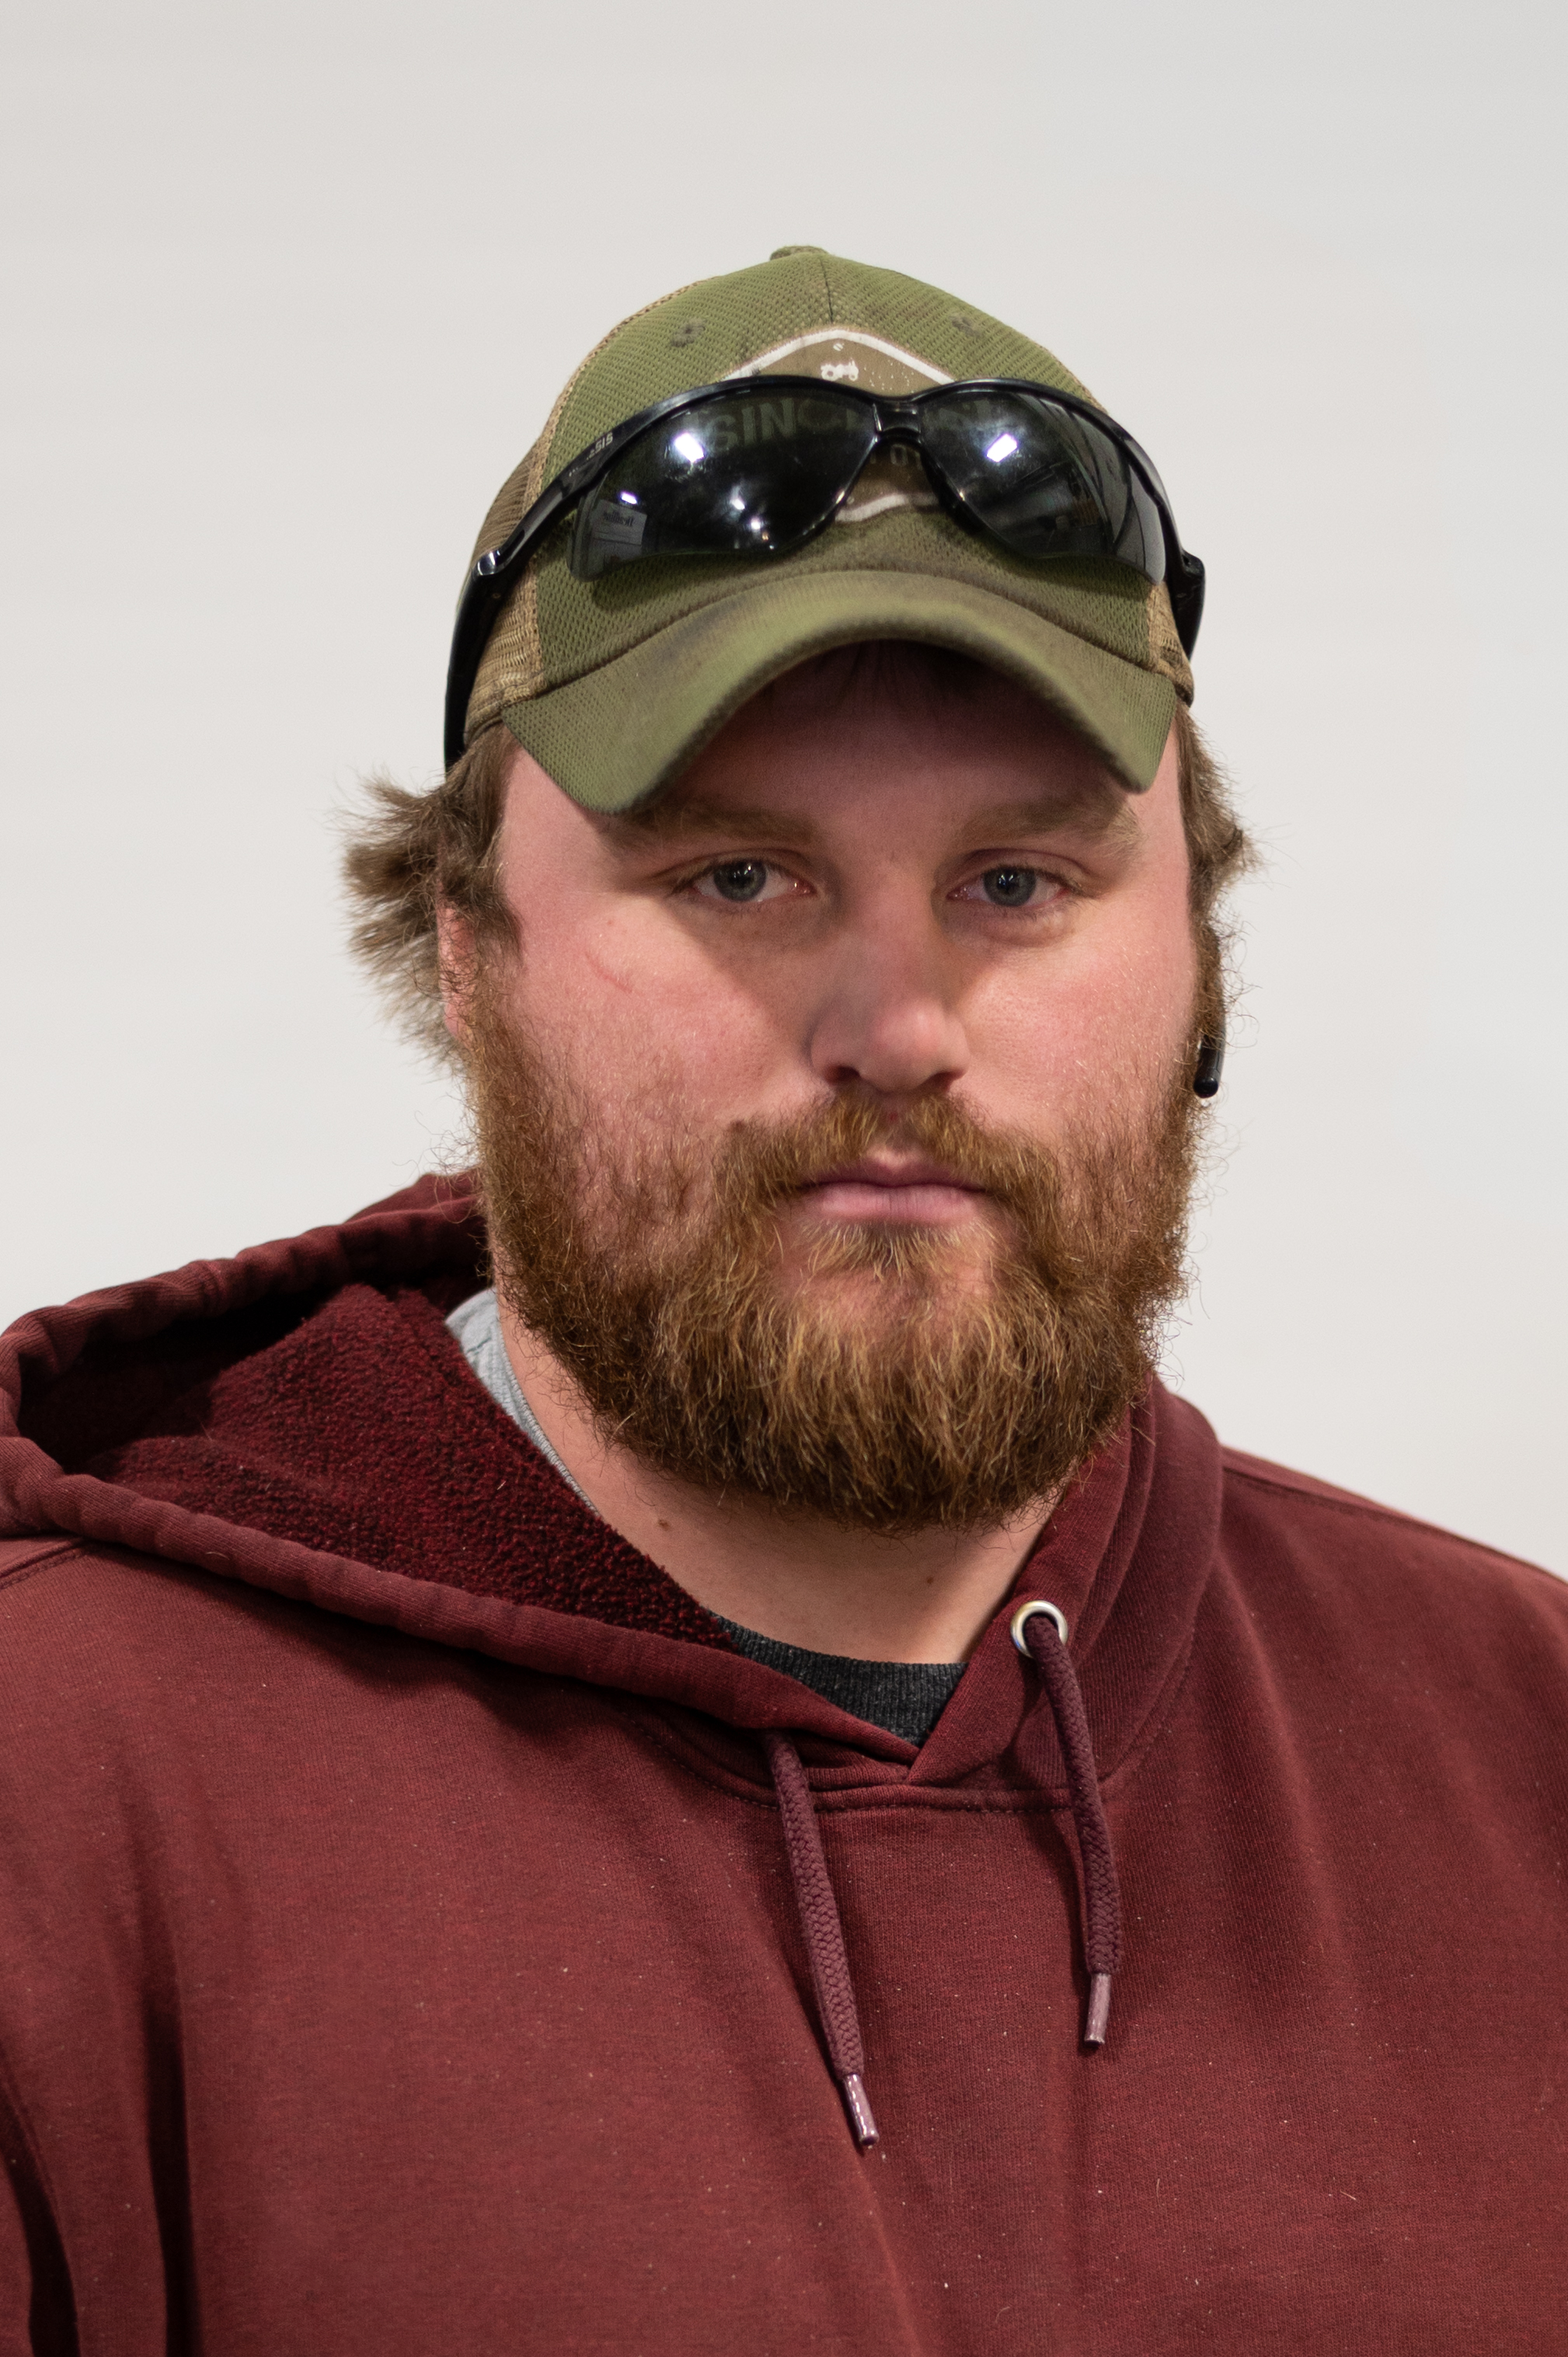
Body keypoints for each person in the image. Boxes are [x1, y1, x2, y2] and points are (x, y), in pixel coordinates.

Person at [1, 246, 1563, 2353]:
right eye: (738, 876)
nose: (895, 1026)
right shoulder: (60, 1786)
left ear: (1199, 953)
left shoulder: (1520, 1743)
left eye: (1016, 882)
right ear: (465, 955)